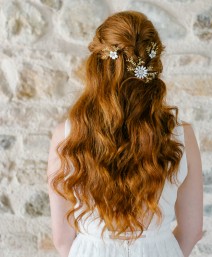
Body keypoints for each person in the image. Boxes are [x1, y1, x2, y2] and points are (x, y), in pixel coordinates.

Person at [47, 11, 203, 257]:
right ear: (152, 67)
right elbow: (192, 230)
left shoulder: (66, 135)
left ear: (97, 67)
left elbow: (61, 239)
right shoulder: (182, 135)